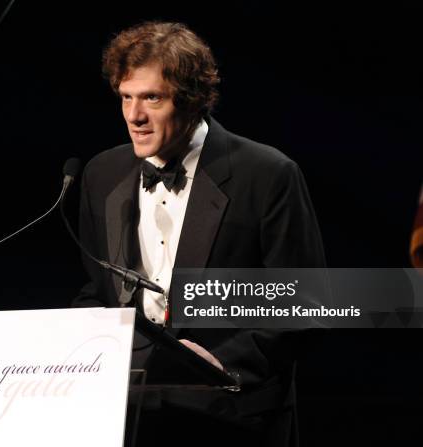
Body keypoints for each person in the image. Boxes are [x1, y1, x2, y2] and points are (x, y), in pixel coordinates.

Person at [73, 21, 325, 447]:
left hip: (231, 412)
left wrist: (223, 364)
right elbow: (98, 289)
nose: (134, 116)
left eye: (152, 97)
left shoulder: (267, 174)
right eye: (126, 98)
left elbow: (308, 302)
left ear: (191, 100)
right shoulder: (102, 174)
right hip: (128, 413)